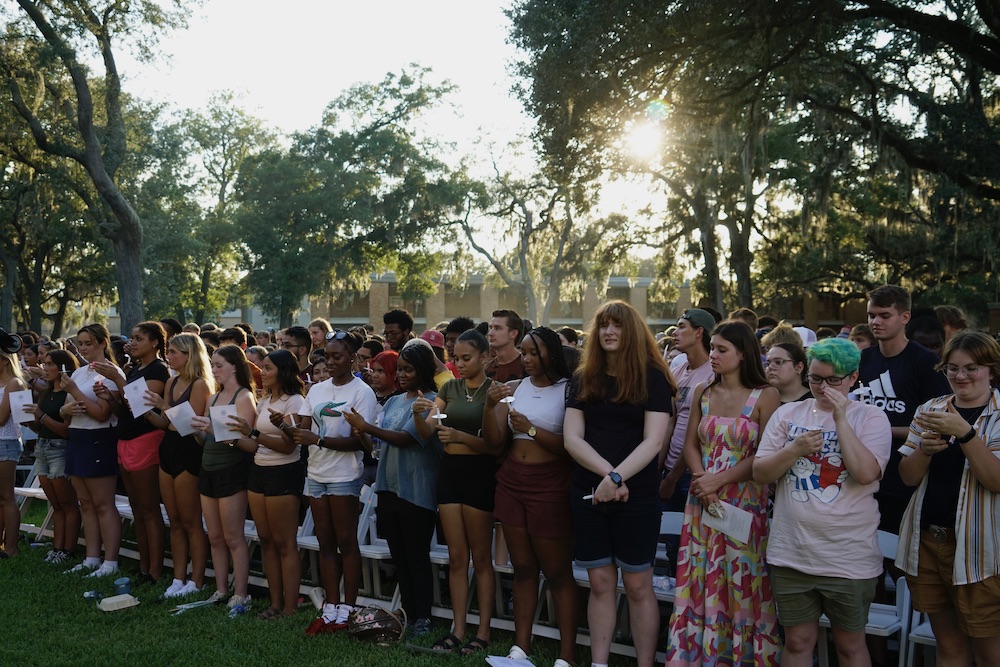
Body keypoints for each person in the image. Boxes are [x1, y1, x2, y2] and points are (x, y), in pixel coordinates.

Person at [754, 338, 892, 666]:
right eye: (815, 378)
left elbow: (865, 474)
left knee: (849, 646)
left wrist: (842, 419)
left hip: (848, 556)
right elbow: (760, 473)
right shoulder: (789, 414)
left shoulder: (871, 418)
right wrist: (794, 450)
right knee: (798, 642)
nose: (822, 386)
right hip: (792, 553)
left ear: (852, 377)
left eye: (833, 380)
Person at [564, 300, 674, 667]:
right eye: (604, 325)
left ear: (632, 331)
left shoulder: (652, 377)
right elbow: (572, 439)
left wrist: (616, 478)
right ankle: (599, 663)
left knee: (639, 586)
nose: (609, 331)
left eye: (618, 325)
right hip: (589, 492)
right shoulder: (583, 377)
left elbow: (654, 441)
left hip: (637, 495)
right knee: (600, 584)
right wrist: (606, 479)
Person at [666, 320, 782, 666]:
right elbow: (689, 444)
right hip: (702, 499)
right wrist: (703, 480)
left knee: (742, 580)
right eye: (712, 347)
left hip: (744, 502)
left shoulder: (766, 395)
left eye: (721, 349)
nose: (713, 355)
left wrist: (720, 481)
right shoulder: (703, 390)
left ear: (743, 353)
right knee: (701, 577)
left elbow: (766, 455)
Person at [895, 331, 1000, 667]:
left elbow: (996, 481)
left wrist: (965, 433)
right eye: (952, 368)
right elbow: (908, 477)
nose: (961, 376)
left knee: (989, 653)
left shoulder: (997, 413)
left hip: (980, 550)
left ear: (991, 370)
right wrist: (924, 451)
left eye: (972, 368)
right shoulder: (931, 408)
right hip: (927, 542)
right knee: (949, 647)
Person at [483, 327, 577, 667]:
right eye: (523, 352)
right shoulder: (516, 388)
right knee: (522, 568)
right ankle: (520, 648)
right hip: (512, 481)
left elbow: (572, 447)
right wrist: (489, 406)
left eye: (533, 353)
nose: (526, 359)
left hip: (550, 484)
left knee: (557, 572)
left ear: (550, 353)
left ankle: (566, 654)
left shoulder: (568, 390)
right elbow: (494, 442)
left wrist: (531, 429)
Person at [343, 341, 443, 638]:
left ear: (422, 370)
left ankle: (423, 617)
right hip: (388, 486)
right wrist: (361, 432)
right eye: (399, 369)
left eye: (408, 369)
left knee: (417, 556)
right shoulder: (394, 401)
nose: (401, 375)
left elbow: (407, 439)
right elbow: (378, 446)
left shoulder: (434, 401)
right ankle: (410, 615)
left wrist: (368, 427)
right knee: (399, 556)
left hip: (416, 488)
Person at [412, 329, 498, 656]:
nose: (459, 364)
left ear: (485, 357)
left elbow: (495, 445)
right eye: (456, 358)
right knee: (457, 558)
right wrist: (419, 414)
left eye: (466, 358)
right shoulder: (448, 387)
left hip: (479, 475)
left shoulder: (495, 391)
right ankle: (458, 629)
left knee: (481, 559)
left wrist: (460, 436)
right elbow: (428, 430)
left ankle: (484, 631)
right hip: (450, 475)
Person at [291, 329, 377, 635]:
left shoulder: (361, 392)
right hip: (316, 474)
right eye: (327, 355)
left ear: (352, 358)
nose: (330, 361)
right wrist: (288, 427)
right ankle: (330, 606)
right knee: (325, 544)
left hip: (344, 476)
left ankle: (348, 608)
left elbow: (361, 442)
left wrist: (318, 439)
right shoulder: (317, 389)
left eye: (337, 356)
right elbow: (304, 427)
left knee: (346, 542)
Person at [858, 285, 951, 535]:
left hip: (906, 477)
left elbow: (939, 422)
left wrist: (884, 430)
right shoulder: (863, 359)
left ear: (905, 317)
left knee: (898, 560)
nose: (875, 322)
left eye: (884, 315)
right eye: (871, 315)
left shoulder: (924, 361)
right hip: (864, 475)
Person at [229, 349, 305, 619]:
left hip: (284, 473)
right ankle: (274, 603)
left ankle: (290, 606)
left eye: (268, 368)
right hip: (259, 471)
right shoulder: (263, 401)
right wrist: (233, 436)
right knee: (267, 541)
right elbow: (255, 443)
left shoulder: (294, 401)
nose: (262, 373)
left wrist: (252, 432)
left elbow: (287, 446)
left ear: (283, 371)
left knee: (285, 543)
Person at [96, 322, 170, 583]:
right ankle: (143, 566)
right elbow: (125, 410)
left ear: (154, 343)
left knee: (149, 507)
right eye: (133, 338)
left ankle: (155, 571)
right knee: (137, 507)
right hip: (125, 439)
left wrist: (117, 378)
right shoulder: (136, 368)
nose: (133, 342)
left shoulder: (159, 370)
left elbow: (141, 406)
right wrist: (110, 398)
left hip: (146, 439)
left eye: (139, 338)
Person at [143, 333, 212, 597]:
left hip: (188, 451)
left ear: (188, 354)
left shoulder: (200, 385)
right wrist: (147, 410)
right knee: (174, 520)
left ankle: (195, 579)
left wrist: (163, 404)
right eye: (168, 351)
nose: (168, 356)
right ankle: (178, 577)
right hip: (168, 448)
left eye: (173, 352)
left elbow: (188, 426)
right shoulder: (171, 381)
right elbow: (166, 424)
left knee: (191, 520)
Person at [190, 345, 257, 615]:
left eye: (219, 365)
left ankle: (241, 593)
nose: (215, 370)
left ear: (234, 366)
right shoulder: (213, 399)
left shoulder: (244, 397)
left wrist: (214, 429)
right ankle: (220, 589)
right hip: (209, 467)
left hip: (232, 469)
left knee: (233, 536)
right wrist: (195, 429)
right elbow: (207, 439)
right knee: (214, 535)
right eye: (213, 365)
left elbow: (246, 441)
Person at [56, 324, 127, 577]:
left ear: (102, 343)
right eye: (80, 343)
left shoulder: (111, 372)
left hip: (99, 437)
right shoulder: (79, 372)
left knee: (103, 503)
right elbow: (66, 410)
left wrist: (74, 393)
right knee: (86, 503)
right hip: (77, 437)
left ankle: (111, 562)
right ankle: (92, 557)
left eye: (88, 343)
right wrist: (66, 409)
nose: (83, 348)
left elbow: (101, 414)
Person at [659, 309, 716, 573]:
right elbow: (670, 420)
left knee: (695, 546)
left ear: (699, 332)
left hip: (695, 472)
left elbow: (698, 434)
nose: (675, 332)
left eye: (681, 326)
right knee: (672, 545)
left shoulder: (712, 374)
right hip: (670, 469)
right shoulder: (678, 366)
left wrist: (674, 476)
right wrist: (661, 467)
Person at [25, 350, 81, 563]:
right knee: (56, 503)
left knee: (67, 503)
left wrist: (42, 416)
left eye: (50, 364)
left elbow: (66, 430)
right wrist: (30, 419)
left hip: (60, 449)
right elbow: (40, 426)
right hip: (42, 447)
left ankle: (68, 549)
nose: (45, 368)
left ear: (63, 368)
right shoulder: (45, 392)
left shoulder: (67, 395)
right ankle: (57, 547)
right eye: (45, 364)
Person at [0, 345, 27, 558]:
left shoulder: (14, 383)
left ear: (5, 360)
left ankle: (11, 547)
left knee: (6, 496)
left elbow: (2, 419)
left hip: (6, 441)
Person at [486, 309, 526, 382]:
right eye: (491, 328)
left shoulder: (527, 366)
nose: (490, 333)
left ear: (513, 333)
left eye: (497, 328)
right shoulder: (486, 370)